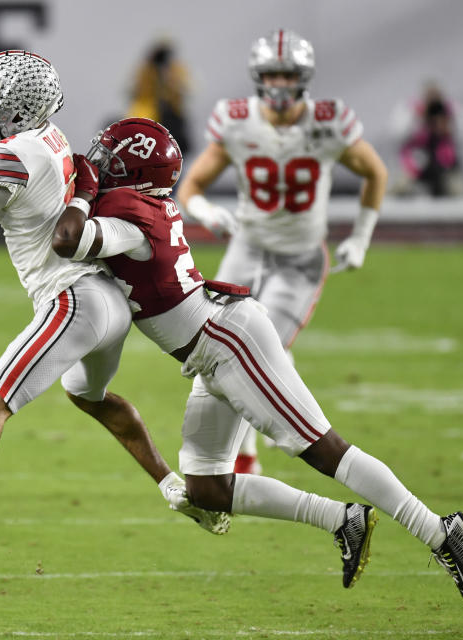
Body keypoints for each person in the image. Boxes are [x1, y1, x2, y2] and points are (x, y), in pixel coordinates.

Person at [51, 117, 463, 601]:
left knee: (324, 449)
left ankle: (440, 531)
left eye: (111, 161)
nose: (100, 166)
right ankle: (343, 521)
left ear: (135, 175)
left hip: (228, 342)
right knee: (207, 490)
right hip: (210, 350)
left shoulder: (129, 213)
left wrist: (81, 194)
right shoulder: (134, 203)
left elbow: (67, 239)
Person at [0, 51, 228, 565]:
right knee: (89, 395)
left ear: (17, 111)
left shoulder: (11, 155)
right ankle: (173, 486)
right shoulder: (44, 137)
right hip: (107, 303)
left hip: (73, 299)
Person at [175, 29, 388, 475]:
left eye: (286, 73)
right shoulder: (236, 120)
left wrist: (361, 236)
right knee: (222, 347)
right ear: (257, 77)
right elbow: (191, 185)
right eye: (270, 74)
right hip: (247, 248)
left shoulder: (328, 121)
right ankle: (248, 454)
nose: (278, 83)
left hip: (299, 258)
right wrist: (206, 211)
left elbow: (375, 171)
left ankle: (259, 450)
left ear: (303, 76)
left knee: (253, 351)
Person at [390, 80, 463, 197]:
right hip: (415, 161)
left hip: (445, 163)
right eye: (429, 96)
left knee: (459, 188)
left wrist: (449, 125)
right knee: (399, 185)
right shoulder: (412, 110)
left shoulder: (453, 111)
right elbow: (397, 134)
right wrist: (418, 119)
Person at [128, 37, 193, 155]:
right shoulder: (145, 72)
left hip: (170, 116)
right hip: (148, 115)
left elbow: (187, 89)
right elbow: (133, 91)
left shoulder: (175, 70)